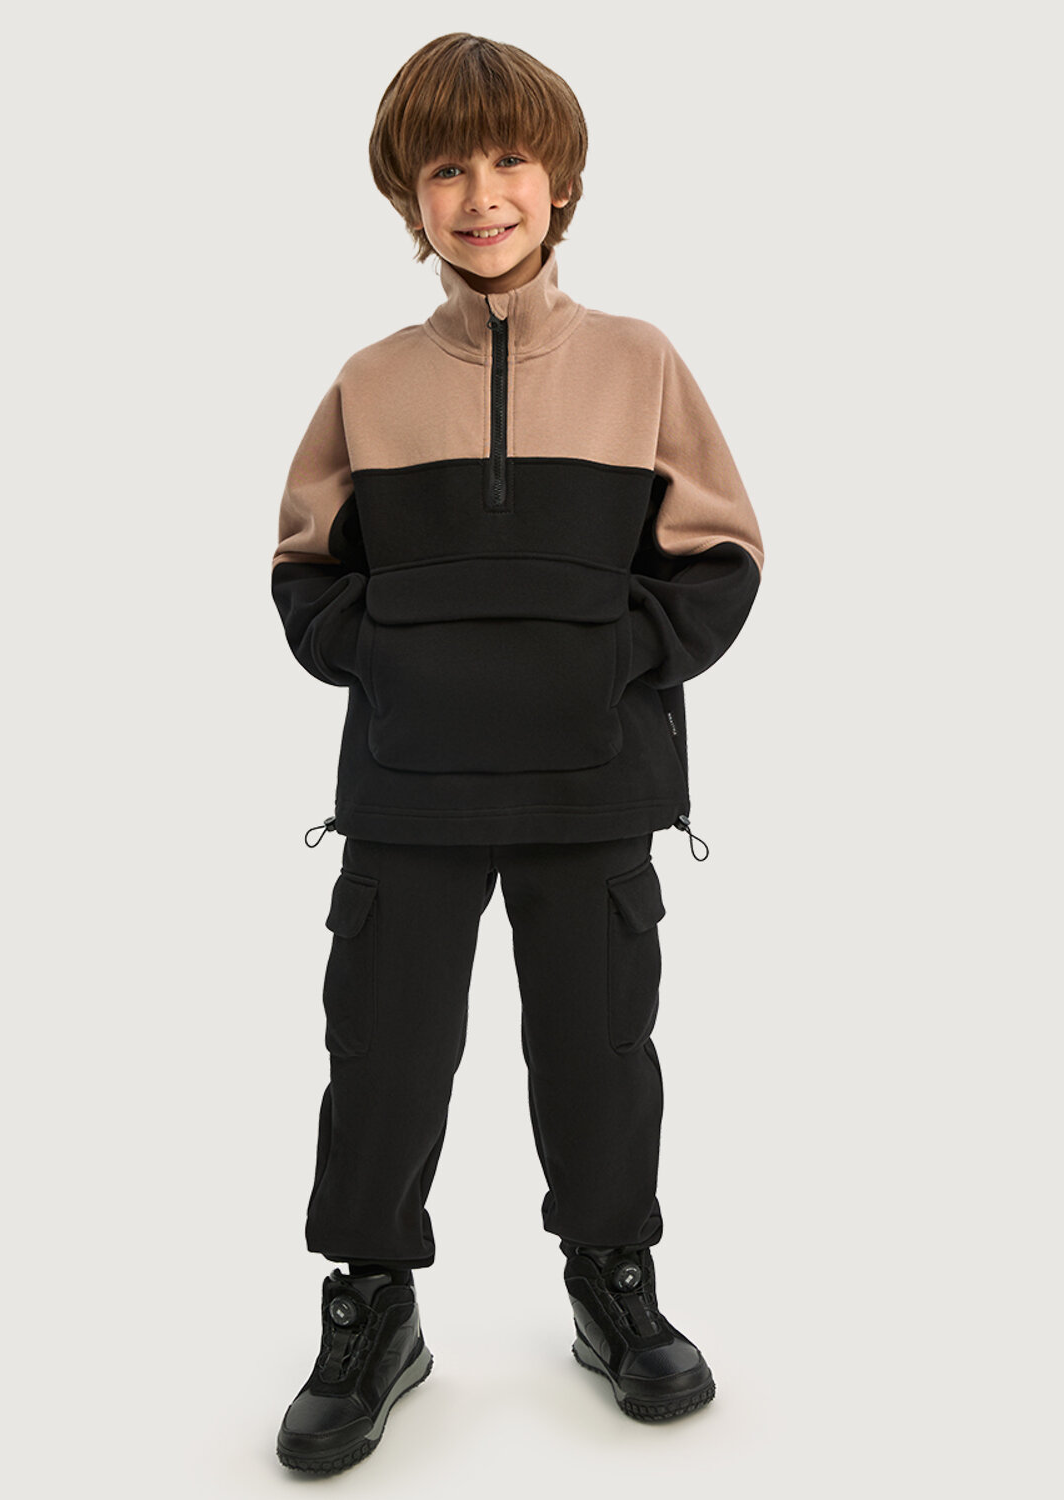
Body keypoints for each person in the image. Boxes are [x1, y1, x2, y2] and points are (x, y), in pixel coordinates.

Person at [269, 32, 765, 1475]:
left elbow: (722, 558)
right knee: (383, 1049)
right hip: (410, 788)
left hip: (590, 779)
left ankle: (613, 1280)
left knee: (597, 1045)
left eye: (508, 161)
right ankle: (372, 1302)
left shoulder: (638, 362)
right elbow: (304, 571)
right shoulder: (368, 381)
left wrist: (604, 659)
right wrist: (399, 660)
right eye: (445, 169)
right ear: (407, 198)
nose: (480, 194)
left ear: (560, 184)